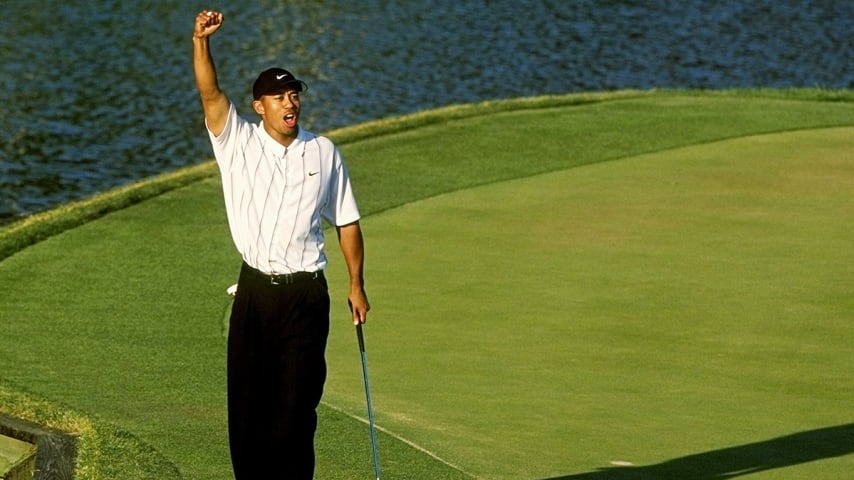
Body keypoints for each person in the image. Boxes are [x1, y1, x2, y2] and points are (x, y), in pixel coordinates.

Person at [192, 9, 370, 479]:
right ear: (259, 106)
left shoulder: (324, 152)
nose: (290, 102)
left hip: (306, 295)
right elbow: (210, 93)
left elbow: (347, 222)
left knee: (295, 412)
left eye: (294, 94)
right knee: (249, 412)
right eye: (279, 96)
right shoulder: (237, 142)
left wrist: (357, 284)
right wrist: (201, 42)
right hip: (254, 293)